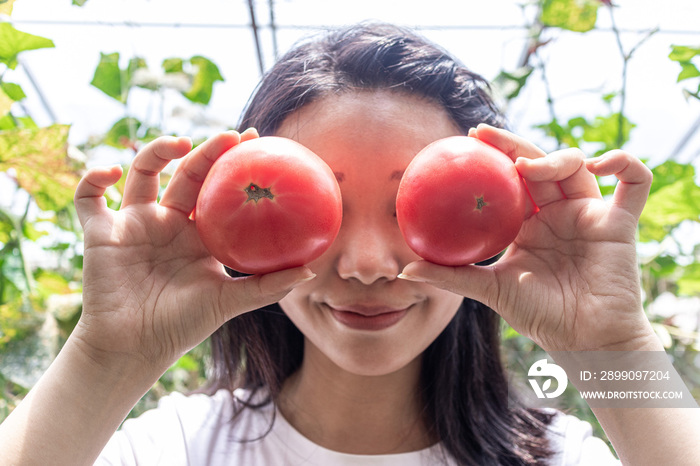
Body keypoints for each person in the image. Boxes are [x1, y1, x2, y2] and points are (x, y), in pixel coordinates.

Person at [0, 22, 698, 466]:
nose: (366, 265)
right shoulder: (175, 448)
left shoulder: (560, 458)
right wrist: (105, 359)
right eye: (322, 207)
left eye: (413, 207)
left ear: (504, 221)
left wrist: (613, 351)